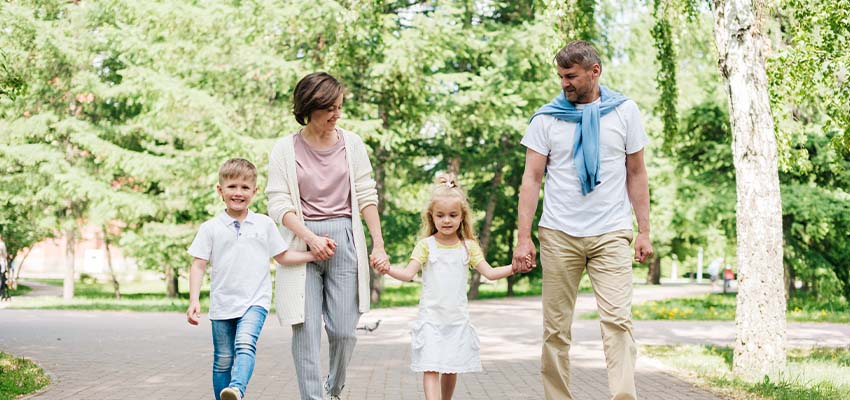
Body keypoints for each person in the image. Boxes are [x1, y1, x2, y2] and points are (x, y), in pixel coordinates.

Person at [512, 40, 653, 400]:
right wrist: (523, 238)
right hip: (560, 233)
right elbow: (531, 179)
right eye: (560, 76)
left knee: (618, 323)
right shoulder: (546, 118)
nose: (564, 83)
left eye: (571, 76)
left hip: (612, 231)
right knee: (555, 330)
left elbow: (636, 173)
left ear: (595, 71)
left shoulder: (625, 112)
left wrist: (645, 231)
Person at [266, 71, 389, 400]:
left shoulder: (352, 144)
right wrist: (311, 238)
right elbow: (278, 204)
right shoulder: (284, 149)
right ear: (310, 107)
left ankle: (333, 389)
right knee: (305, 332)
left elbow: (366, 195)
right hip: (301, 243)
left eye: (339, 107)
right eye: (330, 108)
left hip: (345, 239)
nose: (337, 114)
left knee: (344, 331)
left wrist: (378, 243)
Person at [373, 173, 517, 400]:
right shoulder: (426, 246)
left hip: (456, 320)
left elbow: (489, 272)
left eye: (453, 215)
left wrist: (514, 267)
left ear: (462, 217)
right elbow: (408, 273)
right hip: (431, 319)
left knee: (451, 367)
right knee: (430, 365)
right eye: (440, 215)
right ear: (432, 217)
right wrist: (387, 269)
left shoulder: (468, 247)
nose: (446, 220)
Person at [185, 158, 320, 400]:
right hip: (222, 303)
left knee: (245, 344)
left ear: (255, 192)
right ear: (220, 190)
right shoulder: (210, 228)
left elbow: (283, 255)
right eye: (232, 187)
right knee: (222, 360)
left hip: (254, 301)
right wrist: (194, 300)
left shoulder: (264, 224)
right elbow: (198, 264)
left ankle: (236, 389)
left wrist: (313, 253)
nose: (238, 193)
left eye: (245, 188)